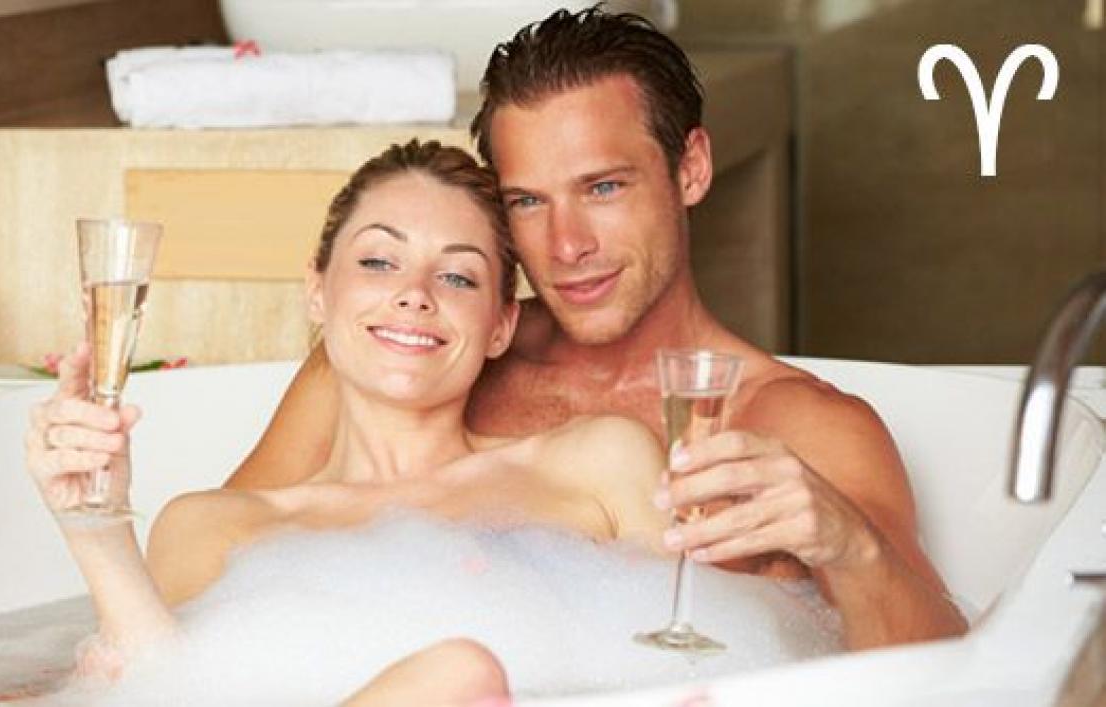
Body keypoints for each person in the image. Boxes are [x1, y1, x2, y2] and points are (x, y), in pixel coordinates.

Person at [222, 8, 968, 649]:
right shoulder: (410, 358)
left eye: (603, 187)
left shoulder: (796, 426)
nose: (566, 245)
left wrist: (849, 545)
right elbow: (216, 590)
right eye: (527, 202)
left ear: (690, 168)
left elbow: (948, 667)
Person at [26, 140, 670, 705]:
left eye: (457, 276)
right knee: (457, 675)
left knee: (458, 674)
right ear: (317, 289)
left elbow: (701, 664)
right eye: (378, 262)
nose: (415, 293)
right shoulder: (211, 526)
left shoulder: (598, 465)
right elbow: (161, 691)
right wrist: (94, 529)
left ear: (501, 325)